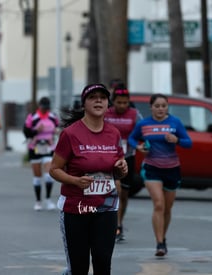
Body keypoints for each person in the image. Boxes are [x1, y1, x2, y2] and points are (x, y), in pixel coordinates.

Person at [49, 83, 128, 275]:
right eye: (93, 97)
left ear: (108, 104)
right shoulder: (70, 134)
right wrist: (75, 181)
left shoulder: (113, 133)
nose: (98, 100)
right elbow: (54, 169)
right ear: (84, 103)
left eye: (102, 97)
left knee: (102, 262)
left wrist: (121, 168)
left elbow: (117, 169)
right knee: (80, 267)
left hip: (106, 207)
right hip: (77, 208)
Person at [128, 93, 192, 257]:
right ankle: (159, 243)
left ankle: (163, 236)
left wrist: (176, 140)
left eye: (163, 106)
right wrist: (139, 147)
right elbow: (131, 139)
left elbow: (188, 143)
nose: (160, 109)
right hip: (151, 168)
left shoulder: (175, 122)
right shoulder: (144, 124)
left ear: (167, 107)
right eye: (157, 106)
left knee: (167, 208)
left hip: (172, 169)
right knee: (158, 204)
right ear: (151, 107)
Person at [104, 86, 142, 242]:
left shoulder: (134, 114)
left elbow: (141, 131)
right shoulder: (107, 113)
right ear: (113, 102)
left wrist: (141, 144)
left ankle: (119, 224)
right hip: (110, 157)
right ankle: (111, 225)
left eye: (125, 102)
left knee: (124, 195)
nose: (122, 106)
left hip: (128, 157)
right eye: (119, 102)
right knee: (116, 189)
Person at [24, 97, 59, 211]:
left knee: (49, 174)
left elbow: (57, 127)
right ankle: (38, 201)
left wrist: (56, 131)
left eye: (47, 108)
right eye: (44, 108)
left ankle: (48, 200)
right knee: (37, 176)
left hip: (48, 147)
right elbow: (26, 132)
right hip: (35, 148)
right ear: (40, 106)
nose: (45, 110)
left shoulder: (52, 117)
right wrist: (36, 130)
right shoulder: (32, 117)